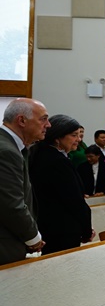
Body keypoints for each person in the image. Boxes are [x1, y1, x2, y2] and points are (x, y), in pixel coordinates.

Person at [27, 114, 94, 254]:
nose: (79, 139)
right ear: (57, 138)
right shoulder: (57, 161)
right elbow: (74, 200)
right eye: (74, 135)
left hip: (50, 226)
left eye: (79, 135)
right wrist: (87, 230)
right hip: (61, 230)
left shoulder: (44, 155)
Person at [0, 98, 49, 264]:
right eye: (43, 119)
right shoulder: (6, 151)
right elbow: (11, 204)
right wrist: (33, 238)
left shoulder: (11, 146)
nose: (48, 125)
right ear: (21, 120)